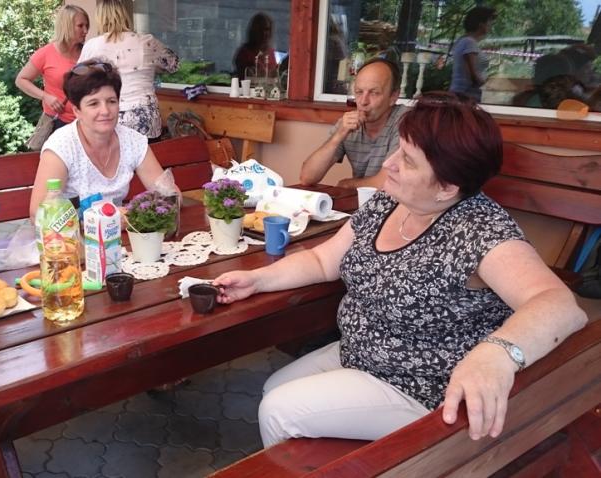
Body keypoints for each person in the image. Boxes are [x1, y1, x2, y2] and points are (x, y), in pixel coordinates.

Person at [213, 92, 587, 447]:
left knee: (279, 410)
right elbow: (323, 260)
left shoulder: (478, 230)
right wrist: (257, 280)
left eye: (407, 160)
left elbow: (559, 304)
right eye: (397, 148)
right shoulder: (391, 201)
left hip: (422, 386)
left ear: (447, 187)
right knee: (274, 387)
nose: (388, 164)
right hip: (361, 354)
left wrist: (496, 355)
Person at [28, 59, 173, 222]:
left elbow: (170, 196)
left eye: (111, 101)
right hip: (73, 234)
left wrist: (141, 210)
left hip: (122, 232)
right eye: (93, 103)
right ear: (77, 111)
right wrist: (111, 218)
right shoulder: (61, 146)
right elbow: (38, 214)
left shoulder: (133, 141)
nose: (105, 111)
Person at [79, 0, 179, 139]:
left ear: (100, 18)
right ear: (124, 15)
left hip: (109, 117)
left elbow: (79, 79)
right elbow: (174, 65)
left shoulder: (92, 46)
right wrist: (154, 68)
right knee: (146, 153)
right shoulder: (146, 42)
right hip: (146, 118)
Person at [300, 58, 405, 189]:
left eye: (374, 93)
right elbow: (307, 177)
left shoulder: (407, 122)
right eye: (359, 92)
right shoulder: (347, 124)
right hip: (361, 199)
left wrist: (347, 184)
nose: (363, 101)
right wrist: (338, 136)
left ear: (393, 97)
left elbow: (389, 182)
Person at [16, 5, 89, 132]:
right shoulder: (46, 53)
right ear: (66, 26)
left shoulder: (89, 52)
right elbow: (21, 80)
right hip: (58, 123)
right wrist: (45, 96)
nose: (86, 30)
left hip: (86, 122)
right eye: (80, 26)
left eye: (87, 25)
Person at [449, 6, 496, 102]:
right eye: (489, 22)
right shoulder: (469, 42)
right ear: (481, 24)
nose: (491, 25)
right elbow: (473, 75)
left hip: (464, 95)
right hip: (466, 97)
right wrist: (492, 88)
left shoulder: (465, 41)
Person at [234, 12, 278, 81]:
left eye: (267, 29)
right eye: (260, 29)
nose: (264, 33)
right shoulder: (244, 53)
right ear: (254, 31)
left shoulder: (271, 52)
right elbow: (243, 79)